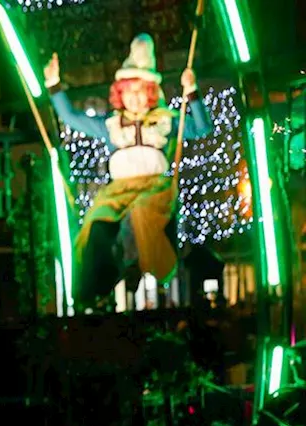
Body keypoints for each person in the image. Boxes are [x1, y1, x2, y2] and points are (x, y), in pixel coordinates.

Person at [46, 34, 213, 310]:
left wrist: (192, 92)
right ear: (120, 93)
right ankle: (93, 285)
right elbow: (71, 118)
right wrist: (54, 85)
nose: (134, 99)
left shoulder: (164, 122)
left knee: (145, 219)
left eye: (140, 91)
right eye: (129, 91)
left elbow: (202, 127)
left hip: (153, 189)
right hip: (118, 191)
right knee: (96, 225)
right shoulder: (111, 126)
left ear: (149, 93)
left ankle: (156, 269)